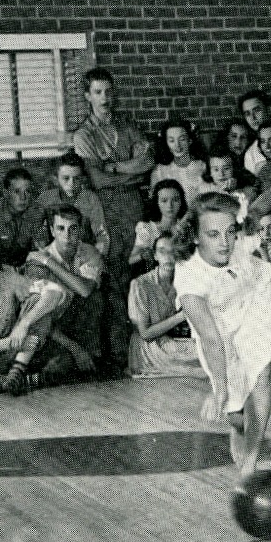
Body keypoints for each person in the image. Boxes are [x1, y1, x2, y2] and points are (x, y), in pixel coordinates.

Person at [173, 192, 271, 479]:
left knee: (261, 377)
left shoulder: (238, 241)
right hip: (219, 331)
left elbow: (262, 205)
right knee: (236, 413)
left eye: (229, 232)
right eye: (213, 234)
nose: (224, 242)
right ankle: (239, 426)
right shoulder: (189, 280)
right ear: (196, 236)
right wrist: (220, 389)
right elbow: (212, 340)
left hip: (253, 307)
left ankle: (251, 464)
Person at [72, 67, 154, 372]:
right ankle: (119, 355)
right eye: (98, 92)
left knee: (140, 271)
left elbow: (147, 163)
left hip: (134, 206)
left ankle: (145, 353)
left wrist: (115, 168)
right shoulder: (84, 134)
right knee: (115, 278)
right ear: (87, 96)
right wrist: (127, 173)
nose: (105, 98)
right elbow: (96, 179)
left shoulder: (128, 125)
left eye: (108, 91)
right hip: (108, 209)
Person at [0, 238, 72, 396]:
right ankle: (17, 381)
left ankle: (16, 372)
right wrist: (9, 343)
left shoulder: (8, 279)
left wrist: (24, 323)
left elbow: (55, 291)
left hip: (14, 355)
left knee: (38, 303)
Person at [23, 205, 107, 376]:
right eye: (61, 228)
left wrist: (50, 262)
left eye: (73, 228)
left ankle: (88, 358)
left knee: (97, 297)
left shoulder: (89, 252)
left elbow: (85, 291)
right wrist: (75, 349)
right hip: (50, 330)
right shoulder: (36, 261)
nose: (67, 235)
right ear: (52, 231)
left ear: (80, 229)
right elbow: (38, 317)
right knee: (58, 368)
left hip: (78, 324)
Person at [128, 232, 205, 379]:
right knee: (206, 360)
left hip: (174, 342)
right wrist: (182, 315)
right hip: (150, 348)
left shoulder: (185, 281)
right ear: (155, 256)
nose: (168, 257)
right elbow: (145, 334)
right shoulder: (140, 285)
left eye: (173, 252)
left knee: (211, 350)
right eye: (162, 251)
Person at [35, 151, 111, 258]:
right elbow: (35, 230)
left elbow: (101, 234)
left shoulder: (90, 199)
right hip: (53, 256)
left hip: (82, 254)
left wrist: (97, 255)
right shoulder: (46, 198)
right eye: (66, 178)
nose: (71, 183)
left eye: (77, 178)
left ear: (83, 178)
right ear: (56, 179)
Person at [130, 179, 188, 279]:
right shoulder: (147, 228)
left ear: (181, 201)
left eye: (175, 200)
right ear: (157, 203)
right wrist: (143, 256)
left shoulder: (186, 226)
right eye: (164, 200)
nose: (170, 206)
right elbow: (131, 259)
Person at [0, 167, 46, 270]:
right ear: (6, 193)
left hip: (26, 267)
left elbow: (40, 250)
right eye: (17, 192)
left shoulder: (37, 212)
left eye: (27, 191)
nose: (23, 197)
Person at [150, 119, 209, 204]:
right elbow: (155, 202)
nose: (177, 145)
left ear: (190, 140)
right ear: (166, 144)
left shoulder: (204, 166)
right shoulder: (159, 171)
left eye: (182, 139)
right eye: (171, 141)